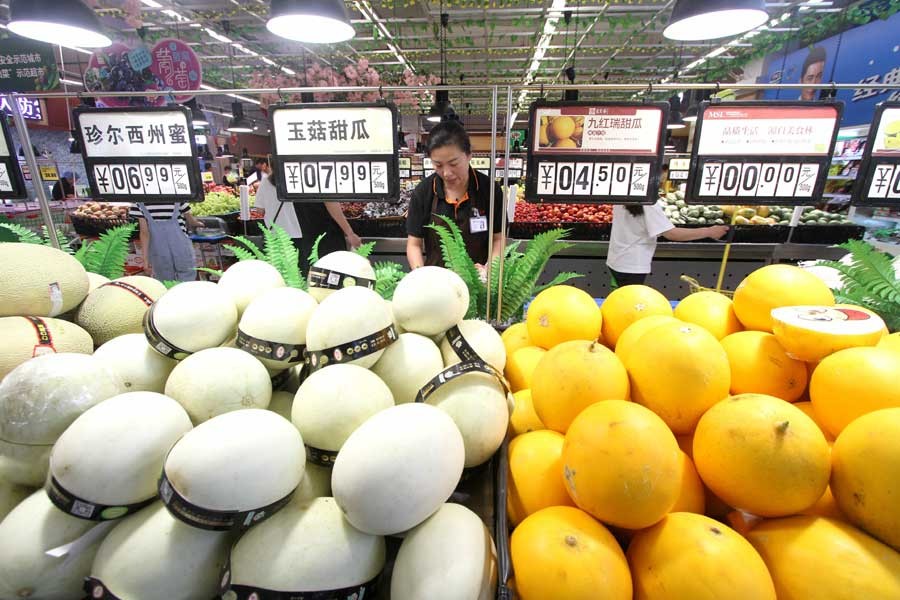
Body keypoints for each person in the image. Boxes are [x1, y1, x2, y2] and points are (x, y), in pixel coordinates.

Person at [406, 120, 505, 270]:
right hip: (437, 284)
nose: (446, 173)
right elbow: (414, 244)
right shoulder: (423, 192)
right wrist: (422, 278)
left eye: (453, 163)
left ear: (469, 155)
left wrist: (490, 270)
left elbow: (498, 238)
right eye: (438, 165)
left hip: (480, 284)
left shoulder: (489, 189)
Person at [607, 203, 729, 287]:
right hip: (633, 265)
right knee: (630, 306)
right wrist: (709, 232)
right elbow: (672, 234)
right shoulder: (648, 204)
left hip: (616, 259)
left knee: (620, 300)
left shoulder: (624, 196)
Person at [129, 201, 204, 282]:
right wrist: (198, 223)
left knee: (164, 282)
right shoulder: (177, 197)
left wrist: (145, 260)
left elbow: (144, 233)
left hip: (159, 252)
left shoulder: (138, 203)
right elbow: (191, 220)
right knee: (187, 280)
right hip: (181, 249)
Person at [293, 200, 362, 275]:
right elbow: (330, 201)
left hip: (303, 232)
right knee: (332, 273)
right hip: (325, 233)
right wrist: (350, 233)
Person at [254, 171, 303, 259]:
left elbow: (260, 210)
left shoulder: (265, 181)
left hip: (274, 232)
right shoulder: (295, 179)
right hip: (296, 231)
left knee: (278, 266)